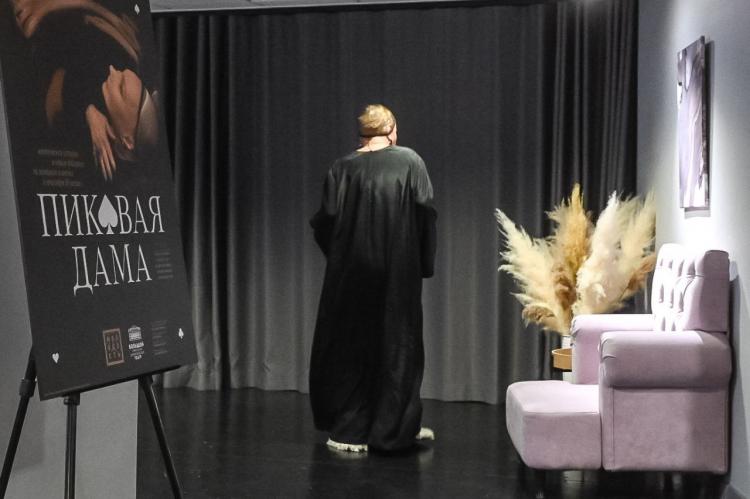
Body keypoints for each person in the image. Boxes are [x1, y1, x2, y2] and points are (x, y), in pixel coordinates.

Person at [309, 104, 437, 453]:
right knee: (398, 346)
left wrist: (341, 256)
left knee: (352, 347)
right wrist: (421, 263)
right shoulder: (410, 161)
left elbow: (326, 219)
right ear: (391, 129)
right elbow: (424, 213)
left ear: (362, 134)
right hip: (398, 271)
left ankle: (350, 431)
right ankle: (392, 431)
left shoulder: (342, 167)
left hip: (350, 274)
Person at [9, 0, 158, 181]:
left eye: (121, 89)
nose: (112, 71)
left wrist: (85, 111)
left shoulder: (93, 154)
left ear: (127, 140)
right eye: (121, 74)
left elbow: (48, 89)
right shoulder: (121, 63)